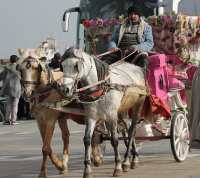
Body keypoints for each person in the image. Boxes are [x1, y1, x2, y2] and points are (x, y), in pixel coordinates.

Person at [0, 55, 21, 125]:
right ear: (17, 60)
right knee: (15, 105)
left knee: (8, 105)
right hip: (17, 88)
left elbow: (2, 76)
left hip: (8, 89)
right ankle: (13, 120)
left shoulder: (6, 67)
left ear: (10, 60)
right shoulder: (19, 67)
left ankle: (6, 120)